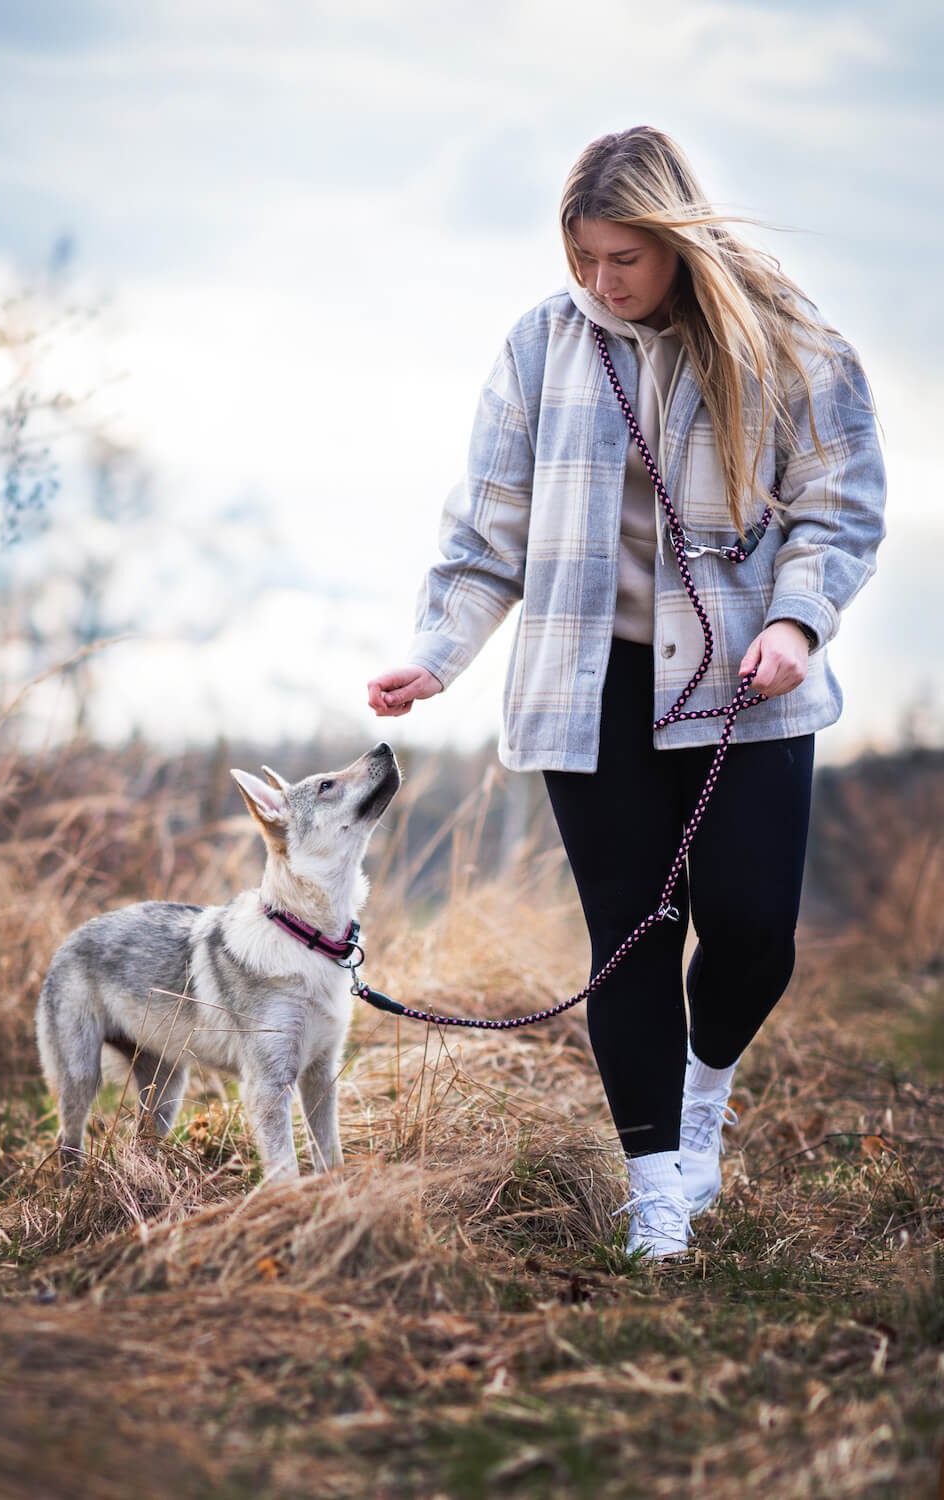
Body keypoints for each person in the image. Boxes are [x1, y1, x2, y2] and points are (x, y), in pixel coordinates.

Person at [367, 127, 886, 1261]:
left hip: (747, 684)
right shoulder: (540, 346)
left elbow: (839, 505)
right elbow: (488, 527)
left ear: (676, 242)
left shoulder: (788, 343)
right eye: (583, 258)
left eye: (625, 259)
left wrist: (797, 622)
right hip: (588, 687)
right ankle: (654, 1196)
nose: (601, 283)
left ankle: (704, 1092)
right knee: (632, 937)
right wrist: (437, 655)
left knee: (752, 931)